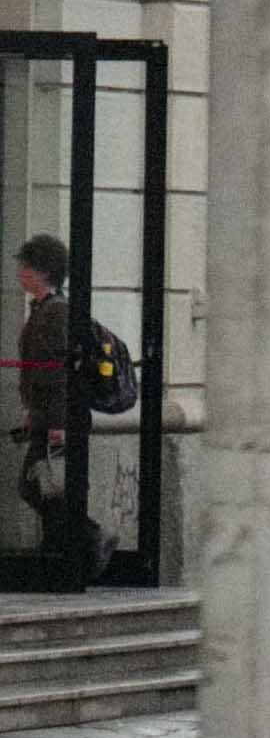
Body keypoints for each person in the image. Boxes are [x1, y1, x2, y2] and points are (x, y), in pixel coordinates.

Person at [11, 234, 110, 578]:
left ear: (42, 271)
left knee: (36, 484)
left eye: (25, 266)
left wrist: (56, 422)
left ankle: (89, 536)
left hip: (59, 417)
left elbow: (59, 374)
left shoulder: (55, 313)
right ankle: (62, 548)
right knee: (41, 485)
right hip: (46, 415)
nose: (20, 273)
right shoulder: (42, 309)